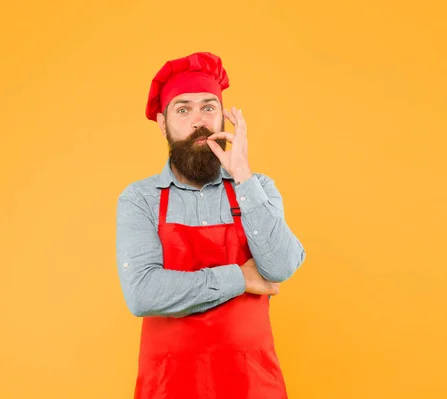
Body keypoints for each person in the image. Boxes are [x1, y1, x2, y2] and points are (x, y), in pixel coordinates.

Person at [116, 51, 306, 399]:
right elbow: (142, 293)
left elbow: (280, 267)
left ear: (222, 117)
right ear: (163, 124)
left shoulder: (258, 188)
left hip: (253, 383)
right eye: (183, 109)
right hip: (169, 385)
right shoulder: (140, 198)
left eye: (208, 107)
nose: (198, 121)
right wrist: (241, 278)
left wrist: (243, 177)